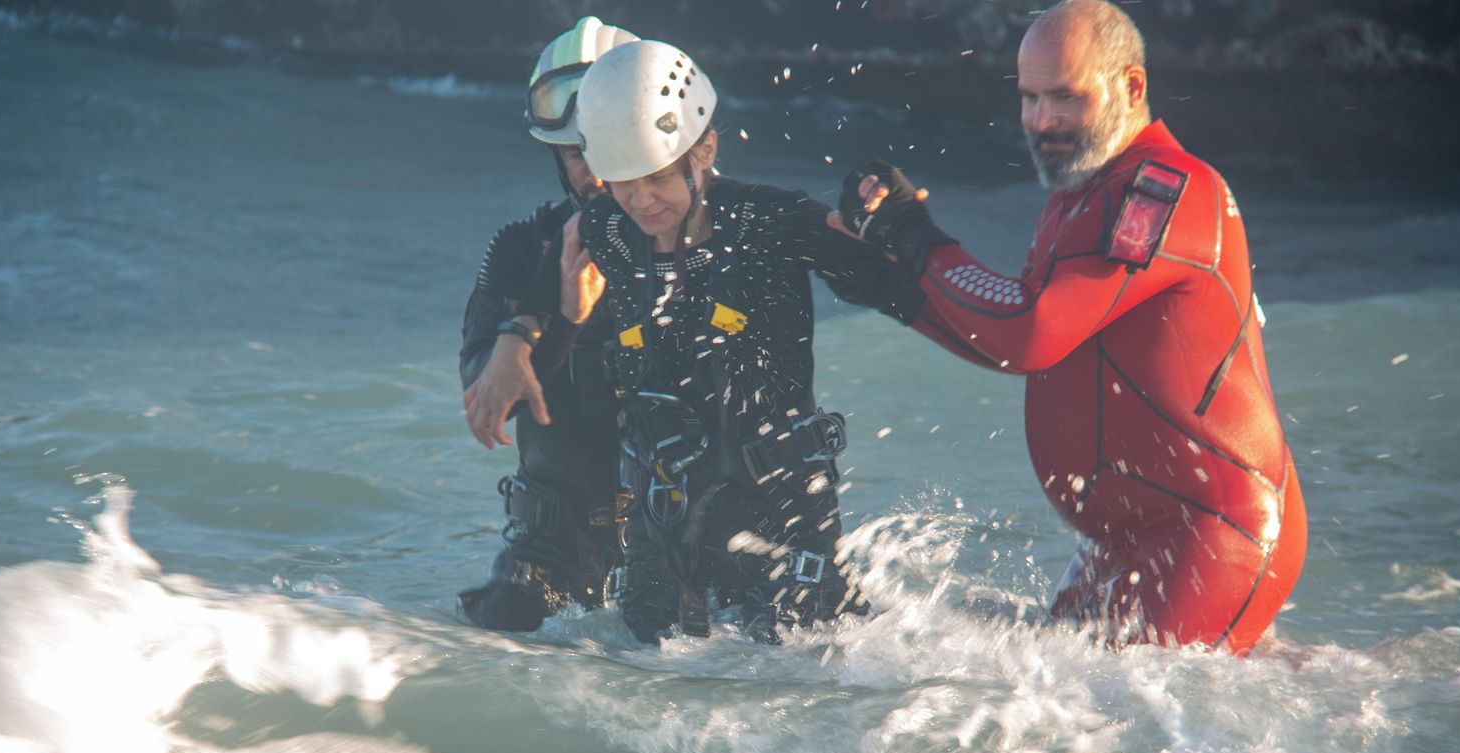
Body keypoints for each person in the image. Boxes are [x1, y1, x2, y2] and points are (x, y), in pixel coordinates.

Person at [832, 0, 1306, 654]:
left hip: (1211, 528)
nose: (1041, 121)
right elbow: (1017, 340)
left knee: (1112, 728)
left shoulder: (1164, 191)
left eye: (1065, 97)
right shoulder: (1078, 196)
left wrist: (914, 237)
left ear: (1132, 86)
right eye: (1028, 99)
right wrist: (892, 291)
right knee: (1056, 708)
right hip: (1126, 535)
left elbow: (1029, 330)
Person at [482, 39, 920, 644]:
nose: (641, 201)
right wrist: (522, 332)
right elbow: (569, 241)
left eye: (658, 176)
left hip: (780, 550)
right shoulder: (609, 227)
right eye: (625, 181)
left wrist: (897, 224)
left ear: (706, 147)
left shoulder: (775, 223)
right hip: (658, 569)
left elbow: (891, 288)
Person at [455, 17, 637, 632]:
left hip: (685, 542)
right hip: (550, 552)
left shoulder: (705, 243)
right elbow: (488, 413)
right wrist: (554, 321)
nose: (597, 171)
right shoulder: (518, 248)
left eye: (611, 145)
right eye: (577, 151)